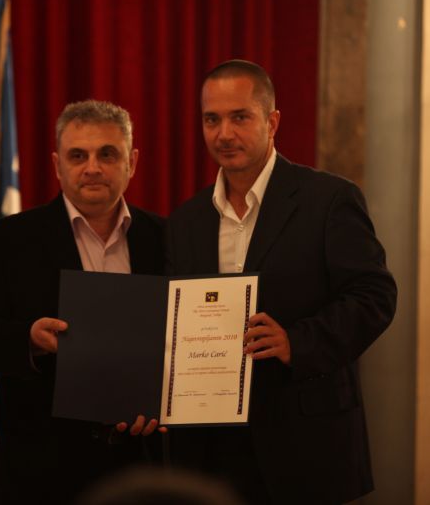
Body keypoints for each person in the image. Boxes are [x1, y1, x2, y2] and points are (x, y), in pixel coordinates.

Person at [166, 60, 397, 504]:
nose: (224, 133)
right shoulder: (185, 221)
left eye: (240, 117)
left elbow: (375, 296)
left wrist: (298, 341)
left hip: (305, 442)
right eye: (212, 119)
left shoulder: (328, 199)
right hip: (211, 450)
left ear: (272, 122)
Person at [0, 100, 166, 504]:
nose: (92, 168)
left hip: (142, 470)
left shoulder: (167, 238)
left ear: (132, 162)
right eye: (78, 156)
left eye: (107, 154)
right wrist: (28, 339)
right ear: (57, 164)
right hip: (39, 473)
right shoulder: (7, 241)